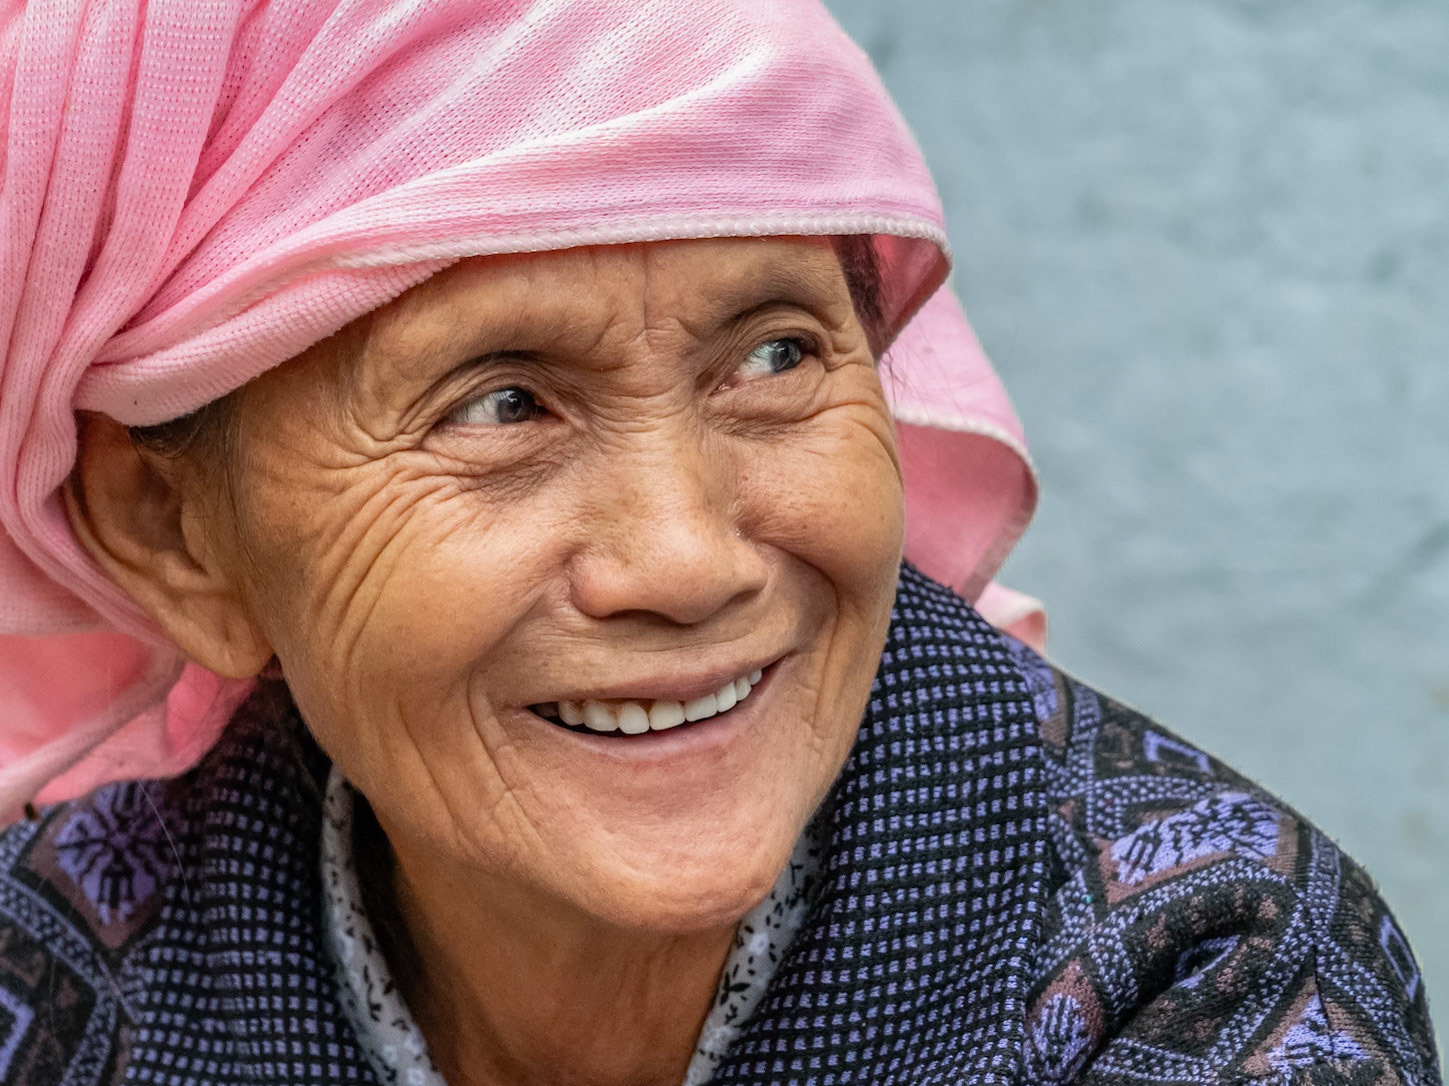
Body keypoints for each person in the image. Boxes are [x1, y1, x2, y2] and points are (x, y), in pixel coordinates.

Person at [0, 1, 1436, 1084]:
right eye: (502, 403)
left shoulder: (1217, 982)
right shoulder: (51, 959)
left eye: (771, 359)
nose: (689, 558)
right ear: (173, 530)